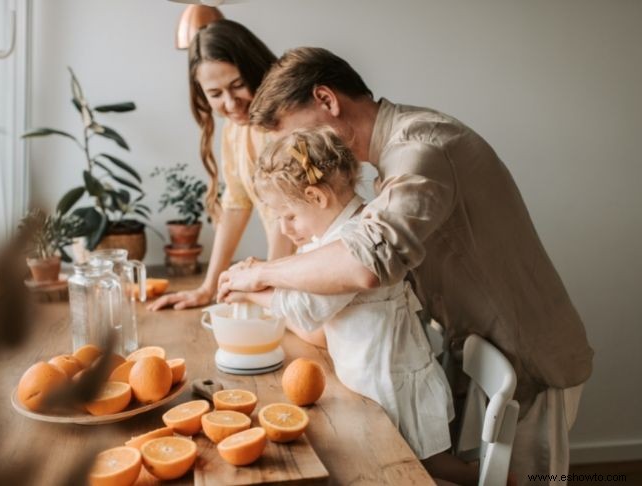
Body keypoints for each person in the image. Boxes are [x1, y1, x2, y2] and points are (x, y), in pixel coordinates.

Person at [218, 47, 593, 483]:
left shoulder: (421, 151)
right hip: (484, 347)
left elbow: (366, 262)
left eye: (295, 134)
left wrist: (261, 273)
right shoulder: (392, 159)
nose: (300, 152)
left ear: (326, 100)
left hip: (532, 356)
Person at [225, 126, 480, 485]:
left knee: (420, 470)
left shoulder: (349, 241)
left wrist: (250, 289)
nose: (284, 229)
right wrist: (255, 285)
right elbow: (316, 329)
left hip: (391, 387)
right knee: (408, 468)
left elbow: (304, 309)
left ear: (316, 197)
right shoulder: (329, 239)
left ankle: (500, 480)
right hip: (370, 381)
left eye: (288, 216)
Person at [147, 20, 293, 311]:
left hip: (307, 275)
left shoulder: (286, 122)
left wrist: (275, 284)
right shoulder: (234, 129)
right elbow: (236, 205)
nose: (230, 103)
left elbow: (287, 211)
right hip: (285, 277)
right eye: (215, 94)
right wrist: (208, 288)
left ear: (257, 70)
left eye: (238, 85)